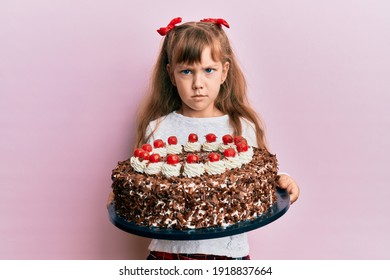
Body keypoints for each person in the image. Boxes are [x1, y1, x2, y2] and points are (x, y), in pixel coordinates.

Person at [107, 17, 300, 260]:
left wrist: (285, 180)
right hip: (168, 253)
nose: (198, 84)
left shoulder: (241, 127)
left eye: (209, 70)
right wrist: (122, 193)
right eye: (187, 71)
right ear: (171, 74)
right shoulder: (158, 128)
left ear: (224, 72)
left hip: (228, 255)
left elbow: (260, 177)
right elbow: (142, 182)